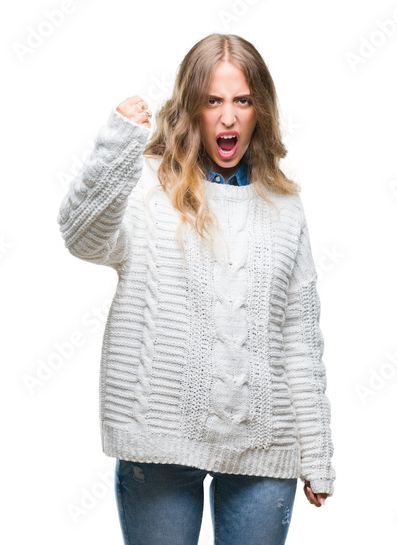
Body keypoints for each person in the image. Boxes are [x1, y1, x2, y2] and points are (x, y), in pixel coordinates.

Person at [58, 34, 334, 545]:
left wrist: (316, 451)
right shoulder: (145, 186)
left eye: (242, 101)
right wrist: (118, 142)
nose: (228, 117)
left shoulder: (285, 207)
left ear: (260, 111)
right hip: (158, 444)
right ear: (190, 108)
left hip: (263, 445)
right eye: (213, 101)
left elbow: (299, 333)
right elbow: (81, 237)